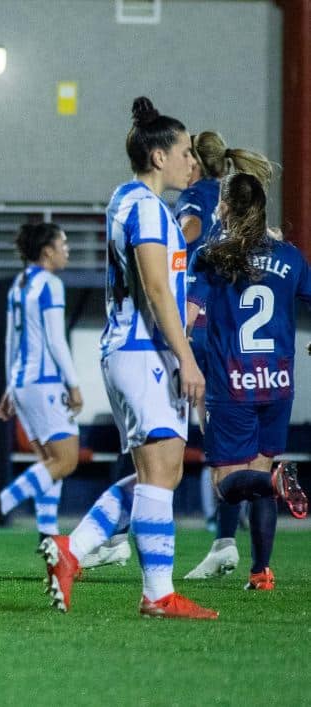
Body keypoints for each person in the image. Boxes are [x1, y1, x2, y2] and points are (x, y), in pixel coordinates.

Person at [40, 97, 217, 619]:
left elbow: (161, 288)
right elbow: (156, 288)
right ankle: (157, 594)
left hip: (134, 351)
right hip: (143, 354)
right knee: (160, 474)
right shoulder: (142, 206)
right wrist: (186, 357)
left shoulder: (131, 201)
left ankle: (72, 552)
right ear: (159, 157)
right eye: (185, 151)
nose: (193, 161)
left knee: (156, 473)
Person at [184, 171, 309, 590]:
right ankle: (261, 572)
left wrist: (178, 354)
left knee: (226, 485)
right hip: (278, 383)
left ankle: (275, 482)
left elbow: (188, 314)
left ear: (224, 207)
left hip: (232, 385)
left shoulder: (212, 255)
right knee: (261, 473)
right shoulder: (291, 257)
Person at [176, 132, 272, 536]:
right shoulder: (236, 193)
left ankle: (222, 530)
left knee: (211, 438)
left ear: (195, 162)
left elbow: (190, 231)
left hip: (202, 330)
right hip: (248, 341)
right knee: (241, 442)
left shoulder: (195, 195)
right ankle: (233, 526)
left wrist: (165, 248)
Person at [0, 223, 82, 549]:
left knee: (50, 464)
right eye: (63, 244)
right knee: (66, 461)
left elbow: (12, 340)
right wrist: (74, 384)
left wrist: (11, 387)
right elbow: (55, 340)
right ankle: (0, 503)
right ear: (47, 251)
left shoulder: (19, 285)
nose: (68, 250)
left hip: (23, 384)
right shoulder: (50, 285)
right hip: (45, 383)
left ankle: (49, 537)